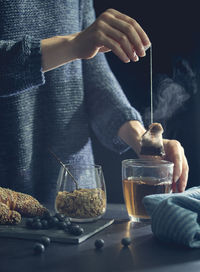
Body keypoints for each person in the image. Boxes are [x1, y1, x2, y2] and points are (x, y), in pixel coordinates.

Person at [0, 1, 188, 206]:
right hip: (7, 194)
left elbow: (94, 79)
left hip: (75, 194)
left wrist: (143, 142)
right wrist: (72, 45)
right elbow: (79, 45)